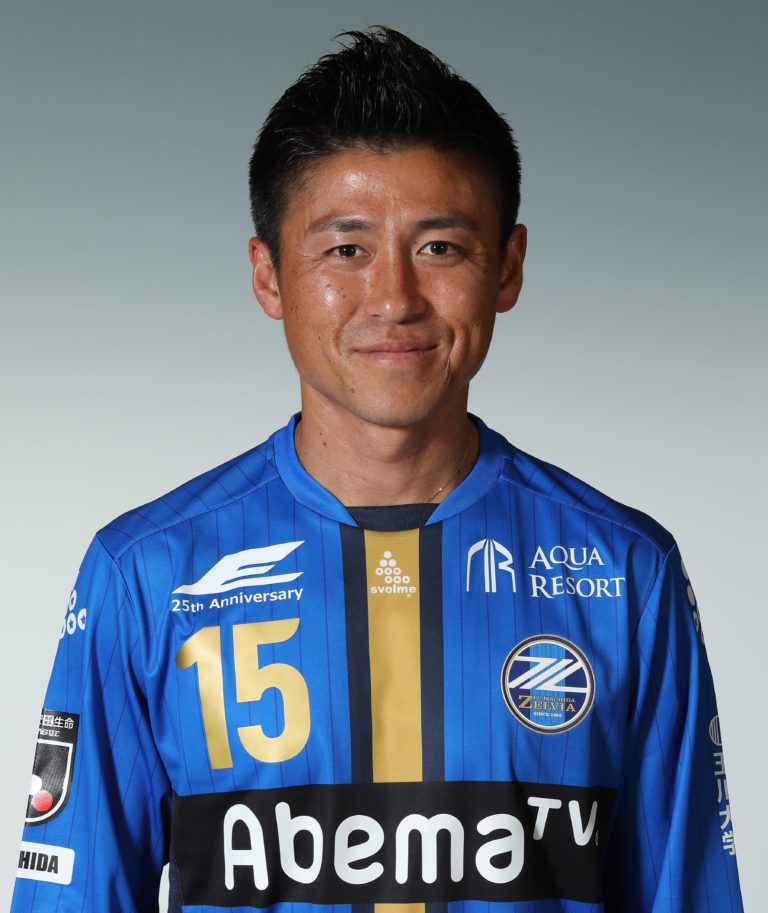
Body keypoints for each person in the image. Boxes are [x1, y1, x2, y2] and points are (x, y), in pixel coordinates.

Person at [9, 24, 744, 913]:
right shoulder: (145, 575)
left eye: (440, 247)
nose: (394, 298)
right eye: (345, 249)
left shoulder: (624, 571)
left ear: (508, 267)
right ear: (269, 276)